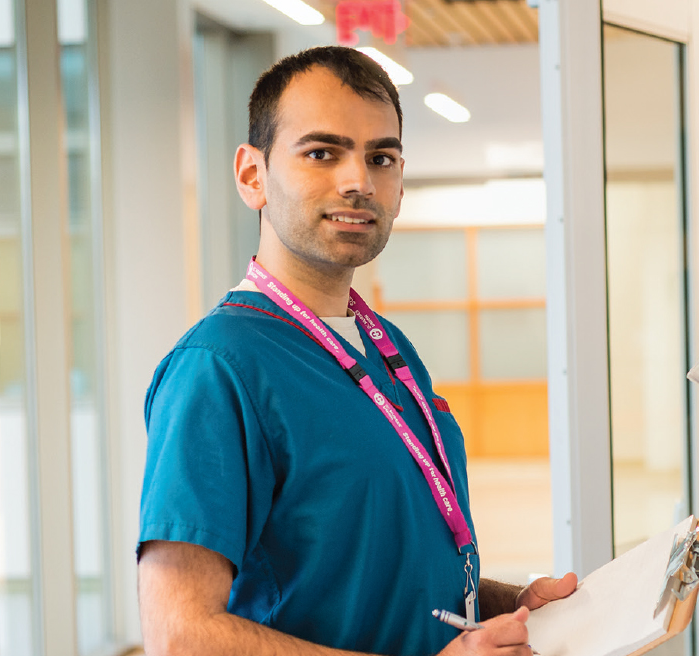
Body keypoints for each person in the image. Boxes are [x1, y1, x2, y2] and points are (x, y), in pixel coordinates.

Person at [136, 46, 577, 656]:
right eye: (322, 152)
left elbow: (370, 573)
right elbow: (181, 636)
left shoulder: (387, 345)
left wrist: (508, 604)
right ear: (251, 175)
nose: (358, 181)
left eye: (382, 157)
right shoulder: (218, 369)